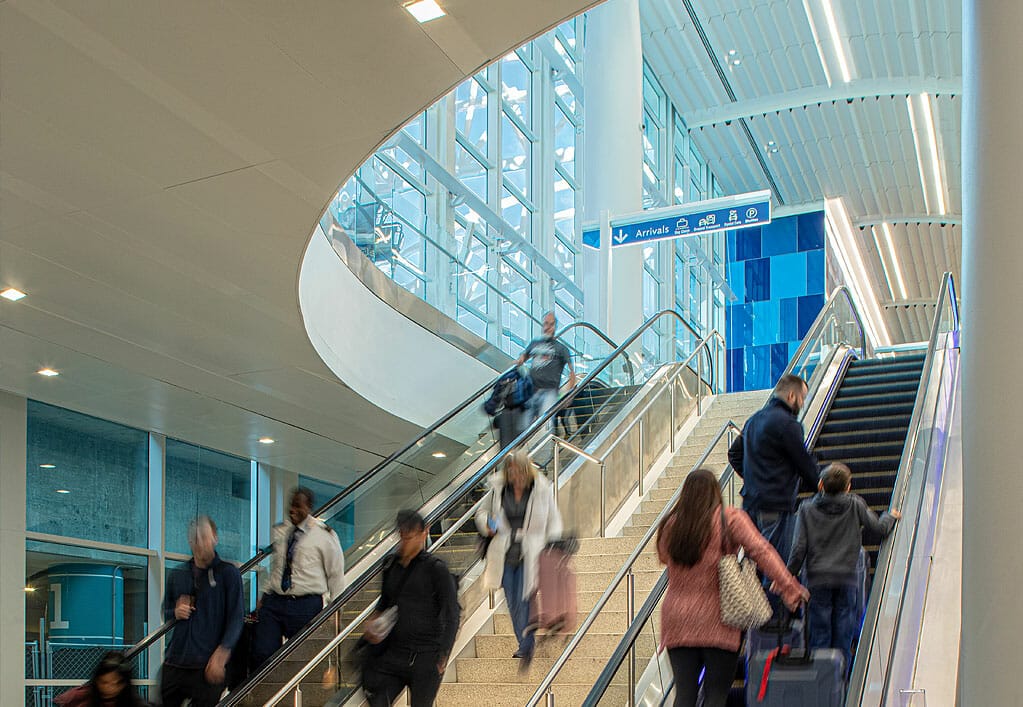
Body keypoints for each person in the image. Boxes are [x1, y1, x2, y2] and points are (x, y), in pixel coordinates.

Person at [657, 468, 808, 707]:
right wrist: (789, 585)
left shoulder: (670, 525)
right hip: (718, 616)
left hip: (676, 618)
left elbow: (665, 557)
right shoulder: (730, 519)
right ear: (715, 493)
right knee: (716, 694)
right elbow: (761, 550)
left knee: (684, 695)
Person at [787, 462, 901, 672]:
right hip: (847, 578)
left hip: (817, 580)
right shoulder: (855, 504)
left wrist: (788, 577)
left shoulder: (806, 509)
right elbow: (878, 528)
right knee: (843, 633)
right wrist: (890, 516)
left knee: (819, 635)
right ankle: (841, 683)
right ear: (848, 487)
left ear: (820, 484)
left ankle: (821, 684)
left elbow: (798, 548)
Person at [361, 509, 461, 706]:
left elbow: (452, 612)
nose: (406, 541)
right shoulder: (390, 565)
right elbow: (385, 602)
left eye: (411, 535)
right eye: (403, 535)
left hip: (426, 656)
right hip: (394, 653)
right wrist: (373, 623)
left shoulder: (435, 569)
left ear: (424, 533)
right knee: (377, 698)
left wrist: (444, 654)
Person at [475, 447, 563, 668]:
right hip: (503, 550)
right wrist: (486, 524)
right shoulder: (498, 489)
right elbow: (481, 513)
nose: (515, 476)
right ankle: (524, 640)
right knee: (512, 600)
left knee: (524, 598)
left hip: (530, 551)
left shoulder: (541, 489)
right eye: (511, 472)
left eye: (519, 471)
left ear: (526, 471)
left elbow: (553, 520)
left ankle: (526, 645)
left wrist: (553, 548)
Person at [726, 374, 820, 565]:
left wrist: (754, 478)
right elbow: (803, 462)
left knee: (756, 567)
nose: (802, 404)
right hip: (775, 505)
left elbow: (734, 453)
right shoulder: (788, 424)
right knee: (775, 567)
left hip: (750, 506)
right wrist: (822, 485)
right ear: (791, 396)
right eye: (802, 397)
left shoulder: (753, 420)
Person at [252, 487, 346, 668]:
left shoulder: (324, 535)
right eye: (291, 505)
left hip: (305, 605)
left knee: (301, 659)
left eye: (297, 506)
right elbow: (278, 568)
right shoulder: (283, 530)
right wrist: (264, 595)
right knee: (262, 652)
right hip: (275, 602)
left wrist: (336, 610)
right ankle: (265, 693)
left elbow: (335, 574)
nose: (292, 510)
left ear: (308, 508)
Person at [160, 516, 244, 707]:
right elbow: (165, 611)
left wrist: (222, 653)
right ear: (189, 541)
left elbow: (236, 618)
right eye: (195, 539)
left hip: (206, 664)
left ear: (215, 537)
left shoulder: (228, 574)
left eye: (204, 537)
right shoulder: (178, 574)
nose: (200, 544)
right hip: (176, 661)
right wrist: (175, 611)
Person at [518, 312, 577, 426]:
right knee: (524, 424)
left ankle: (545, 440)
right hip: (531, 390)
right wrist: (521, 359)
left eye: (551, 324)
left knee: (545, 424)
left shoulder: (561, 348)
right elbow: (525, 355)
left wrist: (569, 394)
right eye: (546, 324)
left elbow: (572, 372)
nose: (547, 327)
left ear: (555, 327)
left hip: (549, 391)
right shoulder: (535, 343)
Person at [55, 651, 148, 707]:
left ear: (124, 684)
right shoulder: (79, 698)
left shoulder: (133, 702)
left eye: (115, 683)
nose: (109, 688)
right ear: (96, 680)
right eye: (104, 682)